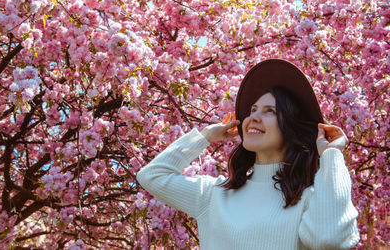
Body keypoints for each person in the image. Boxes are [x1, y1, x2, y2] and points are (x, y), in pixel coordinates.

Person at [136, 59, 360, 249]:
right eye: (252, 111)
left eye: (269, 111)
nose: (253, 117)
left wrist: (331, 155)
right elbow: (152, 175)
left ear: (291, 127)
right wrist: (204, 136)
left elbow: (329, 239)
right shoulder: (213, 195)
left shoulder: (309, 199)